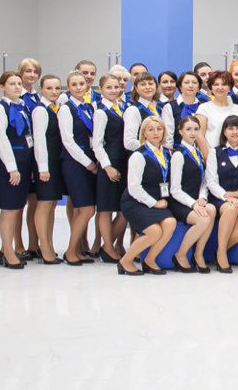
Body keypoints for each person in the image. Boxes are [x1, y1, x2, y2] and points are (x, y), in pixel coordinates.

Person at [119, 115, 177, 275]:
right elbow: (134, 188)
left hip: (156, 200)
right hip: (136, 202)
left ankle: (150, 259)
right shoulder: (138, 155)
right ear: (143, 132)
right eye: (151, 130)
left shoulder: (167, 153)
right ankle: (125, 261)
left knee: (170, 222)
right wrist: (154, 203)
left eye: (159, 129)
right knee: (154, 232)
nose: (156, 133)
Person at [0, 70, 33, 269]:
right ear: (2, 87)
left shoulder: (23, 106)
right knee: (8, 210)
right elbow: (2, 140)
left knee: (17, 208)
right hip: (9, 165)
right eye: (12, 84)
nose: (17, 87)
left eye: (19, 84)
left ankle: (5, 248)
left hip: (24, 162)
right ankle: (8, 252)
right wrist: (12, 168)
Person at [58, 69, 98, 266]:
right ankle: (70, 251)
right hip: (75, 163)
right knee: (86, 209)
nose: (78, 87)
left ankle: (77, 249)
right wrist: (87, 162)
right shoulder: (66, 109)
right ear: (68, 87)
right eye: (74, 84)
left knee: (83, 210)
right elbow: (68, 141)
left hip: (88, 161)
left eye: (81, 84)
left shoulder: (89, 107)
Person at [168, 116, 216, 272]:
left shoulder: (198, 152)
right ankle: (180, 254)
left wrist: (202, 197)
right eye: (188, 129)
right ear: (180, 131)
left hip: (195, 199)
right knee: (203, 220)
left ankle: (198, 254)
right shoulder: (178, 155)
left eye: (196, 129)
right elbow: (175, 189)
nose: (193, 133)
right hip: (179, 202)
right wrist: (193, 203)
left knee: (211, 210)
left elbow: (204, 181)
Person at [205, 114, 238, 273]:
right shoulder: (215, 152)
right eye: (230, 128)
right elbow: (211, 181)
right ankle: (222, 256)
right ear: (224, 132)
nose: (234, 132)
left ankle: (220, 250)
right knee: (231, 209)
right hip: (219, 198)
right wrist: (226, 196)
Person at [90, 73, 129, 263]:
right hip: (110, 163)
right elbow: (97, 144)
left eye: (117, 87)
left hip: (124, 161)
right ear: (101, 90)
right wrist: (107, 167)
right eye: (109, 87)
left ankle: (107, 246)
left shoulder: (122, 108)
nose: (114, 90)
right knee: (105, 208)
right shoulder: (101, 112)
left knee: (123, 210)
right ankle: (107, 247)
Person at [30, 74, 65, 264]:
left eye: (57, 88)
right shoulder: (40, 110)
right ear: (41, 89)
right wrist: (42, 167)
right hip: (46, 163)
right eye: (49, 88)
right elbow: (39, 139)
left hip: (56, 161)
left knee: (51, 205)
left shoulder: (56, 108)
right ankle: (44, 248)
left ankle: (49, 245)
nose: (54, 92)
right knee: (44, 204)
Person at [16, 57, 43, 259]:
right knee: (17, 205)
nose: (31, 75)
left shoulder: (37, 97)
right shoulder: (17, 97)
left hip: (35, 155)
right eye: (28, 71)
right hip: (21, 155)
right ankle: (18, 245)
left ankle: (34, 244)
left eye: (35, 71)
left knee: (34, 202)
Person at [124, 72, 174, 152]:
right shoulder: (133, 110)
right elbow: (129, 142)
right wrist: (155, 147)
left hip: (161, 156)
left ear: (156, 86)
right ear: (136, 88)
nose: (147, 87)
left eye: (150, 84)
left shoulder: (161, 107)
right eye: (143, 84)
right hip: (142, 156)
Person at [198, 71, 238, 148]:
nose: (220, 88)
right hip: (212, 152)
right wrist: (208, 154)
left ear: (229, 87)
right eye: (216, 84)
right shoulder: (203, 108)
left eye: (224, 84)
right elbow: (199, 136)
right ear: (211, 88)